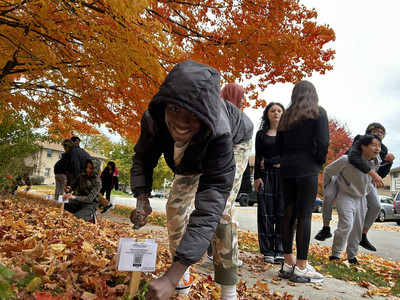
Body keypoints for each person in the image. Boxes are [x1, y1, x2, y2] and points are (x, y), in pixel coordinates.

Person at [129, 60, 253, 300]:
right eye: (174, 109)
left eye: (192, 115)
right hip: (193, 151)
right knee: (175, 206)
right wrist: (141, 197)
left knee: (223, 211)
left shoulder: (221, 133)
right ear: (164, 105)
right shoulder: (153, 119)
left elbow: (211, 203)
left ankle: (228, 291)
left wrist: (169, 276)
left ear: (205, 114)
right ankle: (182, 279)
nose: (181, 122)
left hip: (235, 143)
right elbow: (143, 159)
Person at [275, 80, 329, 283]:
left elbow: (278, 145)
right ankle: (302, 267)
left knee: (288, 213)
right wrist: (318, 161)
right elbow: (324, 141)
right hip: (307, 167)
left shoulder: (286, 115)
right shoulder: (318, 112)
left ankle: (288, 263)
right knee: (304, 215)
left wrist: (287, 158)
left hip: (287, 167)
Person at [315, 123, 395, 252]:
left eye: (382, 132)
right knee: (329, 195)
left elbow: (380, 174)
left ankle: (363, 235)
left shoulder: (382, 149)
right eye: (376, 131)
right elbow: (352, 158)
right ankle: (325, 228)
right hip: (345, 175)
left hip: (364, 181)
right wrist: (372, 172)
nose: (379, 134)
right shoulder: (360, 140)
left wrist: (389, 163)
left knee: (376, 206)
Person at [203, 82, 250, 267]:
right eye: (242, 96)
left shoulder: (238, 121)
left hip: (223, 170)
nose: (244, 100)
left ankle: (218, 254)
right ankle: (221, 256)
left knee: (219, 207)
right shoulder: (222, 116)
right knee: (223, 208)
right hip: (225, 171)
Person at [324, 134, 382, 264]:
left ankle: (351, 256)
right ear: (363, 146)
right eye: (374, 145)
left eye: (379, 145)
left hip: (361, 198)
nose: (377, 148)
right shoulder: (346, 159)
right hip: (345, 195)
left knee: (357, 229)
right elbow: (328, 170)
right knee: (346, 225)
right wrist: (328, 189)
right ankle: (335, 255)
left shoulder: (376, 162)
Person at [253, 102, 285, 264]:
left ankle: (280, 249)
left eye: (279, 111)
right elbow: (258, 157)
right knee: (265, 214)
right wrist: (256, 177)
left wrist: (270, 161)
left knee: (281, 213)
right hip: (264, 177)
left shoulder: (287, 134)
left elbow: (287, 156)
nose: (276, 113)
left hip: (284, 176)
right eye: (273, 111)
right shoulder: (261, 134)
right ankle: (267, 250)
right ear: (267, 114)